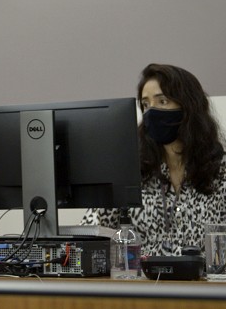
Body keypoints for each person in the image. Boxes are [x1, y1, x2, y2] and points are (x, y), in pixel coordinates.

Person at [82, 63, 226, 256]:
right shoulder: (130, 171)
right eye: (146, 104)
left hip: (205, 276)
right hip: (142, 275)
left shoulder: (220, 170)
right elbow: (91, 234)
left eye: (162, 101)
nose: (151, 111)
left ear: (189, 106)